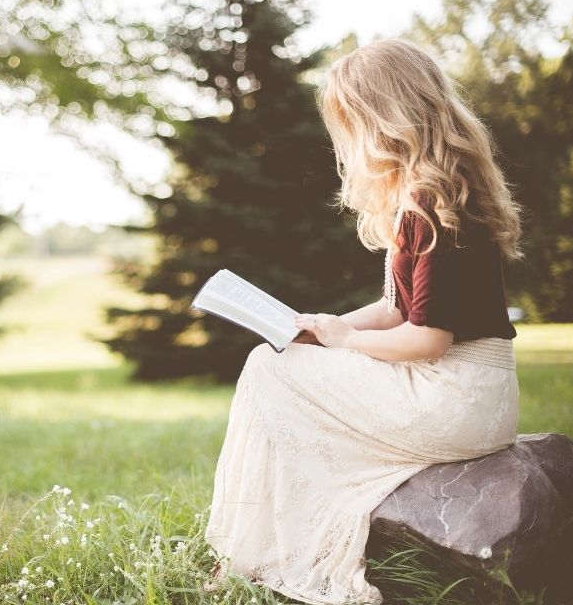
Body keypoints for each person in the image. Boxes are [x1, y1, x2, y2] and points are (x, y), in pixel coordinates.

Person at [201, 38, 524, 605]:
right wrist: (328, 328)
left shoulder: (427, 200)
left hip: (454, 396)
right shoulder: (443, 188)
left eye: (351, 121)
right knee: (283, 361)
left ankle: (253, 554)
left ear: (383, 117)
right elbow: (399, 310)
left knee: (266, 370)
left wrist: (347, 341)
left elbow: (427, 338)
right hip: (479, 394)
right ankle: (259, 547)